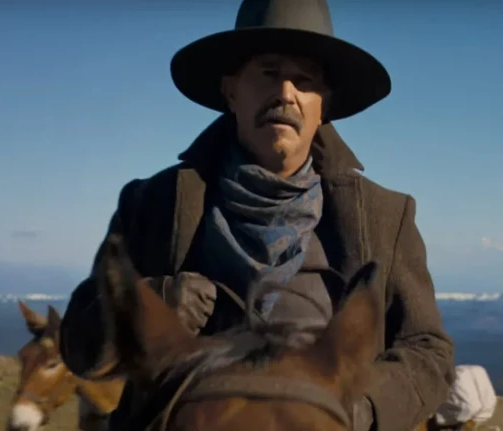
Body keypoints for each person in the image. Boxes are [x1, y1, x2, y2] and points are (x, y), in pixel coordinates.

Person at [58, 0, 455, 430]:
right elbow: (79, 347)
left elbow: (428, 351)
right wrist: (155, 301)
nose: (285, 93)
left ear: (324, 106)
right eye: (268, 72)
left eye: (304, 80)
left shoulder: (384, 218)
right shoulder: (152, 203)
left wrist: (357, 407)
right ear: (231, 92)